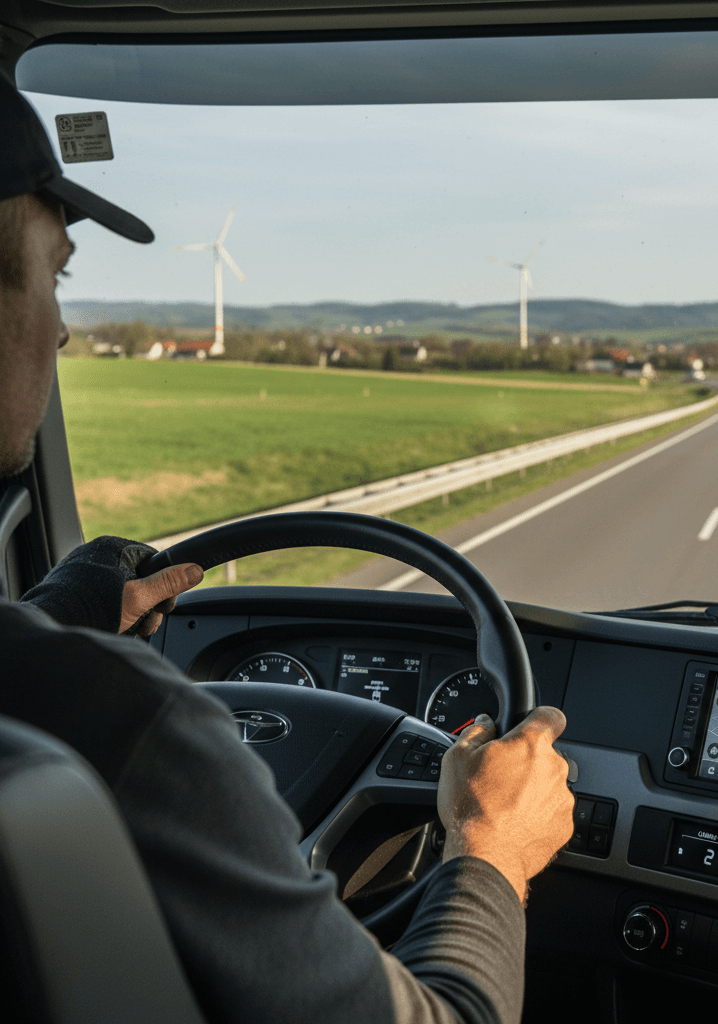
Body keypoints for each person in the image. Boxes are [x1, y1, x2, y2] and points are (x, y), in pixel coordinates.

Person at [0, 73, 575, 1024]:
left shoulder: (42, 685)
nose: (62, 328)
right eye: (54, 274)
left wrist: (49, 620)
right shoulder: (134, 728)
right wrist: (490, 851)